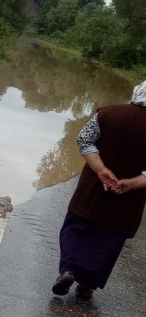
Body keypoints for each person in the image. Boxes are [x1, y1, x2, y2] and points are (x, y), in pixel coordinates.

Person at [52, 80, 146, 300]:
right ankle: (87, 285)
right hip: (128, 200)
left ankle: (68, 270)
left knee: (75, 228)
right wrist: (132, 183)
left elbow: (85, 140)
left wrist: (101, 170)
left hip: (93, 189)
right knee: (108, 240)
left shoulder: (108, 113)